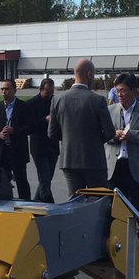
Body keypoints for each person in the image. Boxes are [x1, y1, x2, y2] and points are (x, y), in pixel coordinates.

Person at [106, 73, 139, 255]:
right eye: (117, 90)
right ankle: (116, 248)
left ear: (134, 91)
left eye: (123, 91)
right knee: (114, 210)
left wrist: (132, 136)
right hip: (115, 167)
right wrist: (115, 136)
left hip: (137, 167)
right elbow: (102, 135)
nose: (120, 94)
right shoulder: (110, 110)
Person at [48, 58, 116, 195]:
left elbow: (52, 133)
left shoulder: (58, 99)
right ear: (89, 74)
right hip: (93, 160)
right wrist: (94, 141)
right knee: (99, 201)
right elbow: (109, 132)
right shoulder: (97, 100)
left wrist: (69, 138)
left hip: (69, 160)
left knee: (74, 203)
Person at [0, 79, 31, 199]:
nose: (4, 92)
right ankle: (3, 204)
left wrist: (14, 130)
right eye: (2, 89)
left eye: (7, 89)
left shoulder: (23, 106)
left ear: (15, 90)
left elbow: (29, 128)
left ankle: (25, 204)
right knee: (0, 183)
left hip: (18, 151)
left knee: (22, 182)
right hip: (2, 152)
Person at [24, 78, 59, 202]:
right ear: (40, 90)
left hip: (53, 145)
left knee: (47, 178)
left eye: (51, 93)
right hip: (39, 145)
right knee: (44, 177)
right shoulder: (31, 104)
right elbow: (29, 126)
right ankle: (48, 201)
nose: (49, 95)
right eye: (47, 93)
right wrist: (44, 120)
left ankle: (35, 202)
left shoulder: (55, 102)